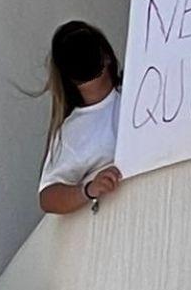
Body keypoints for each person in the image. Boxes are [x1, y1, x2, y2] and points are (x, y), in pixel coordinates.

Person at [34, 21, 124, 214]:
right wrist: (88, 190)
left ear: (106, 55)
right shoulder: (70, 131)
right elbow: (48, 195)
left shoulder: (138, 91)